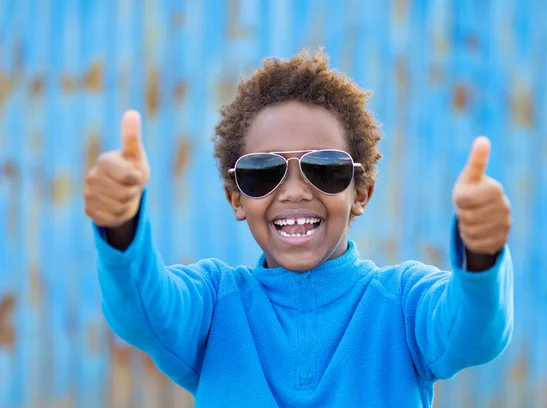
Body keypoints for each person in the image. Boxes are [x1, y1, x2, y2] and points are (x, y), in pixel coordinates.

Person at [84, 50, 513, 407]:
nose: (293, 192)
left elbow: (474, 333)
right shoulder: (213, 306)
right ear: (237, 198)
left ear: (361, 192)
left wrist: (480, 254)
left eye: (324, 169)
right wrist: (121, 225)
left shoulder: (402, 305)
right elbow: (142, 312)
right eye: (262, 173)